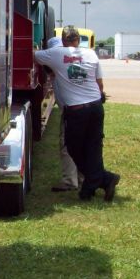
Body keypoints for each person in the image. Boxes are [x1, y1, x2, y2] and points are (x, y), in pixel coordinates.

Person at [34, 25, 120, 201]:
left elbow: (33, 55)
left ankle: (104, 179)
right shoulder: (91, 54)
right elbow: (100, 84)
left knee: (73, 147)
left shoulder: (57, 54)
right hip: (96, 107)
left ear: (63, 40)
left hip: (76, 110)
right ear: (79, 40)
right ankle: (90, 187)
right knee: (94, 147)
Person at [46, 36, 83, 192]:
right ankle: (82, 177)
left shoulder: (57, 71)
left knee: (67, 146)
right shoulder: (71, 66)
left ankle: (70, 181)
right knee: (81, 145)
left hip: (71, 111)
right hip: (82, 109)